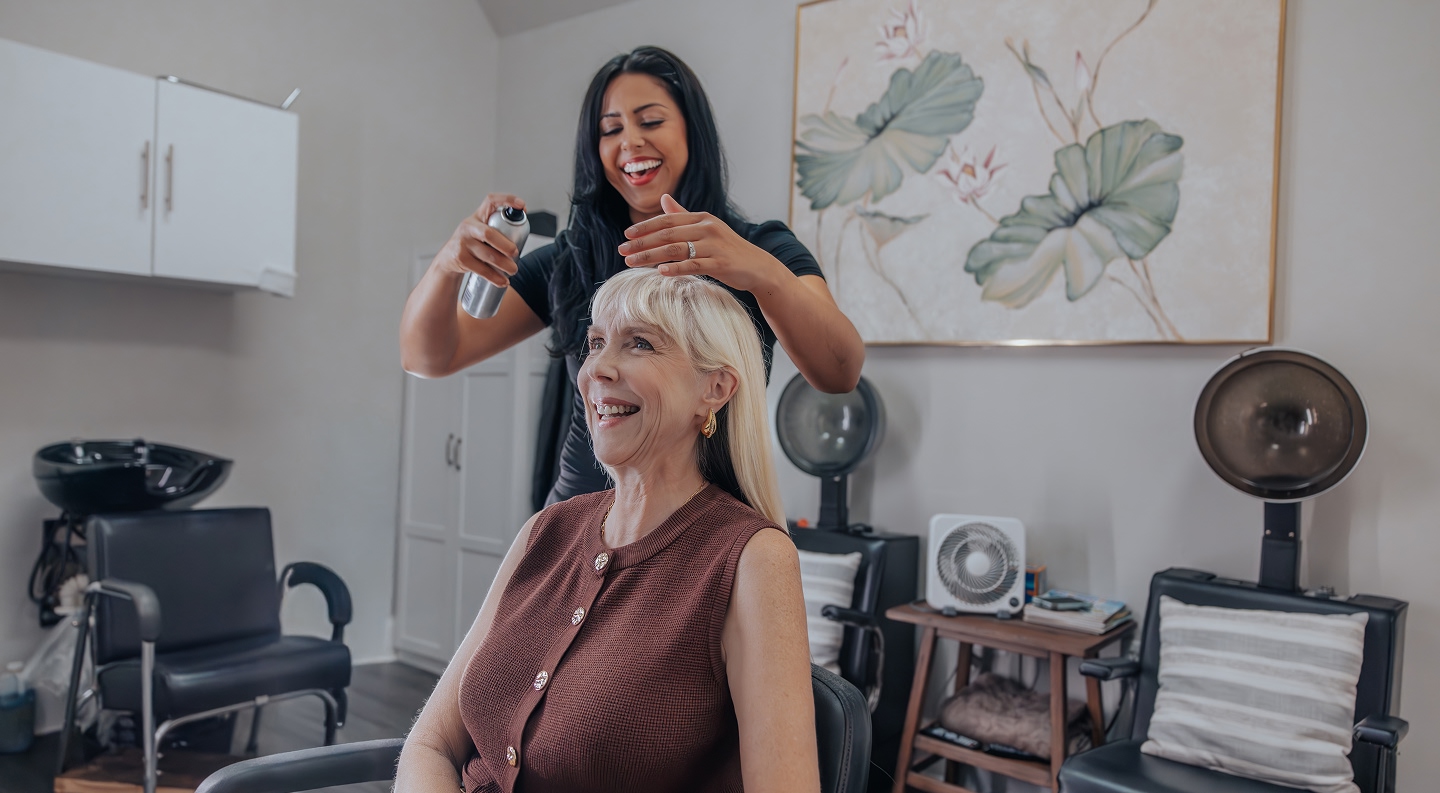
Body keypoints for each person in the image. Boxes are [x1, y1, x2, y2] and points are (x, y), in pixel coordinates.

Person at [396, 267, 820, 792]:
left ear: (715, 388)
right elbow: (431, 744)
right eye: (596, 343)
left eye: (639, 343)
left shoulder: (751, 560)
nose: (598, 368)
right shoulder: (546, 531)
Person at [400, 46, 864, 504]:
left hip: (704, 531)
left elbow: (839, 372)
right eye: (610, 129)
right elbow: (428, 357)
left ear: (691, 132)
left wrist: (764, 274)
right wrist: (446, 266)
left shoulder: (759, 249)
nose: (630, 142)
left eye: (651, 121)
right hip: (579, 523)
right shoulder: (572, 259)